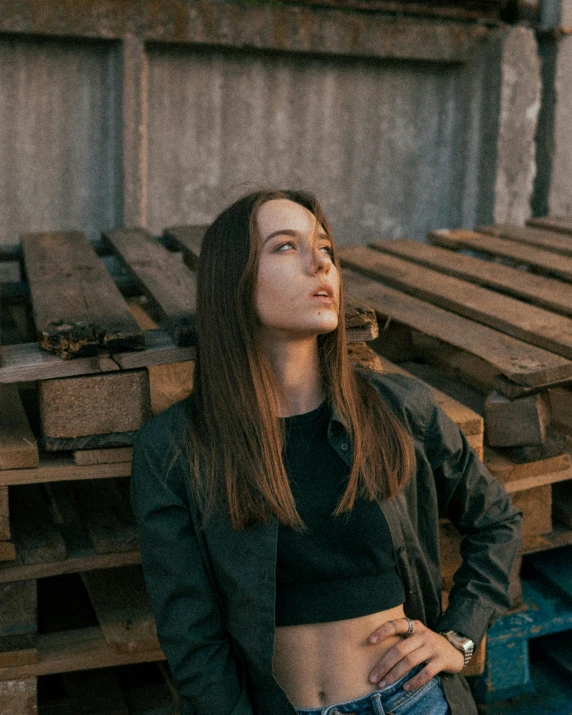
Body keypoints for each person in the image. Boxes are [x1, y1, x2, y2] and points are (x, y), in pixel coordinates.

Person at [130, 189, 522, 715]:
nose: (322, 264)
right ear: (234, 282)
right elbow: (189, 630)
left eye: (326, 249)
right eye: (287, 248)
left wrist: (460, 638)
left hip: (413, 703)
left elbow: (496, 520)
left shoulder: (398, 410)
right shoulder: (176, 447)